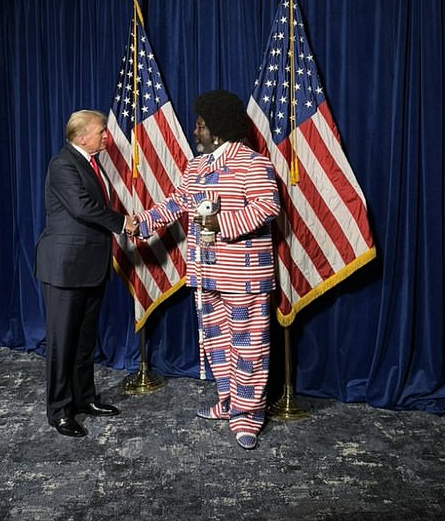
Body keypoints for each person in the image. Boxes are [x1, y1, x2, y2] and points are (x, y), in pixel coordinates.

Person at [132, 90, 280, 450]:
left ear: (217, 129)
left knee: (249, 347)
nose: (194, 131)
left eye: (200, 126)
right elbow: (178, 201)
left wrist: (220, 221)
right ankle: (228, 402)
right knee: (218, 343)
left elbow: (267, 207)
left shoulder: (254, 163)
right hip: (205, 274)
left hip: (244, 277)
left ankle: (249, 416)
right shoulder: (196, 166)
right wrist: (144, 221)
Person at [35, 110, 136, 437]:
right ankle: (60, 410)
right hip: (65, 267)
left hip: (90, 266)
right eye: (101, 132)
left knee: (82, 341)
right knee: (62, 342)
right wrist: (122, 223)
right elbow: (81, 207)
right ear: (81, 137)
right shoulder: (63, 164)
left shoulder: (91, 163)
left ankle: (84, 398)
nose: (107, 136)